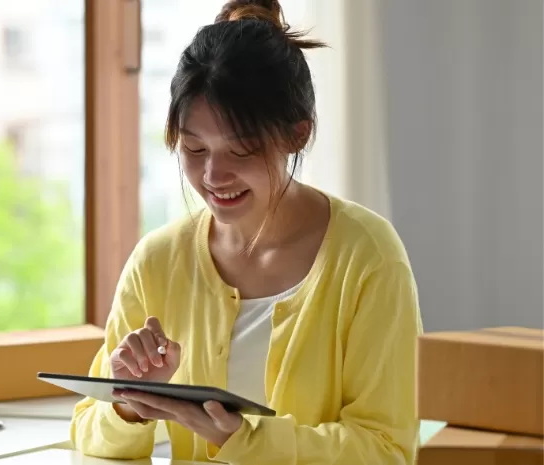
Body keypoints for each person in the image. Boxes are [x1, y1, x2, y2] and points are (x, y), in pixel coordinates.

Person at [70, 1, 423, 464]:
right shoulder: (157, 261)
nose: (214, 175)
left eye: (241, 151)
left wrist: (244, 436)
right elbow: (88, 437)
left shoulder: (367, 256)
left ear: (298, 134)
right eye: (194, 148)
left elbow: (386, 450)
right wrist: (129, 404)